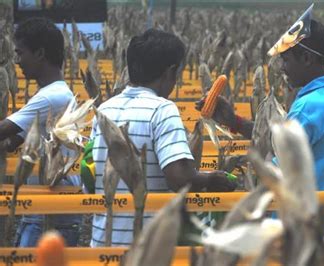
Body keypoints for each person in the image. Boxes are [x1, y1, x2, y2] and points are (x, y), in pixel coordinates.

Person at [196, 7, 324, 237]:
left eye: (286, 59)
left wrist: (235, 170)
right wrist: (234, 121)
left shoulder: (308, 108)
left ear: (307, 58)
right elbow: (279, 141)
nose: (282, 68)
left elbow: (275, 172)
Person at [89, 29, 236, 247]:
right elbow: (179, 178)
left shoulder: (104, 109)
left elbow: (91, 176)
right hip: (146, 246)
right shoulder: (162, 110)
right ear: (171, 72)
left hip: (103, 243)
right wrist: (212, 179)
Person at [0, 17, 81, 247]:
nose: (17, 61)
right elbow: (10, 143)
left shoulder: (51, 97)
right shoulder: (54, 94)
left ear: (40, 53)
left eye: (21, 53)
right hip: (47, 208)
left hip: (50, 213)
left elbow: (4, 131)